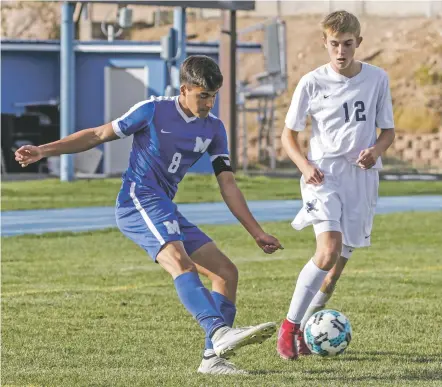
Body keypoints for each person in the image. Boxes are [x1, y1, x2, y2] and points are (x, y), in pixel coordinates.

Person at [16, 55, 283, 374]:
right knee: (180, 262)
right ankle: (218, 331)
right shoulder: (152, 110)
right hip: (136, 201)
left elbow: (227, 183)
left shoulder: (214, 128)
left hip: (165, 206)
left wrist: (257, 232)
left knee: (226, 273)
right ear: (184, 89)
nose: (209, 103)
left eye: (213, 96)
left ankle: (212, 359)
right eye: (203, 96)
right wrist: (44, 151)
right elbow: (98, 135)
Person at [276, 10, 395, 360]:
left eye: (347, 44)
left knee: (332, 273)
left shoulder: (377, 79)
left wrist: (375, 151)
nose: (340, 51)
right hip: (322, 175)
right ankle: (290, 328)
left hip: (360, 179)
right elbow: (288, 135)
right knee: (326, 251)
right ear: (324, 43)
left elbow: (387, 131)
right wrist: (304, 164)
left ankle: (308, 333)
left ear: (358, 43)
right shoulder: (312, 82)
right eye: (334, 44)